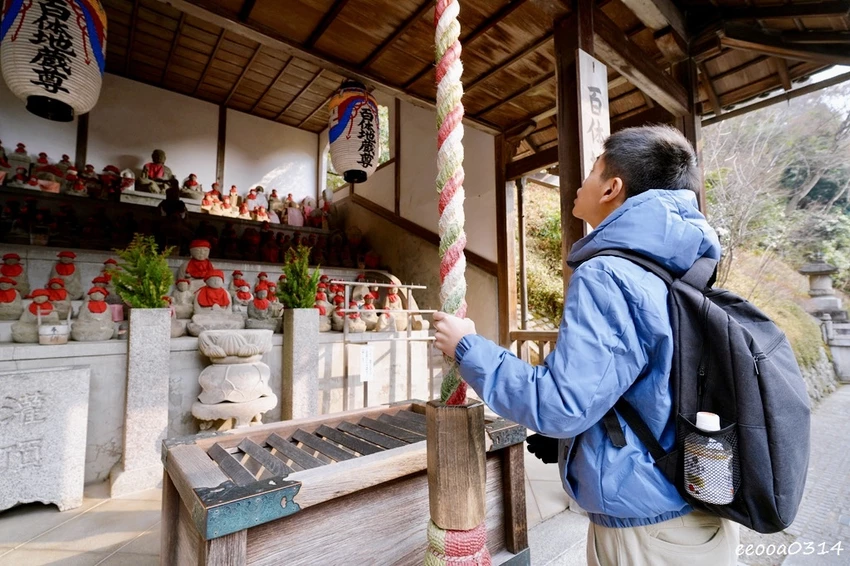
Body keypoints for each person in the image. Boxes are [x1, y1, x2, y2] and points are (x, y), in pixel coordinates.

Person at [433, 125, 738, 565]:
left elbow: (563, 404)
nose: (579, 182)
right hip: (695, 498)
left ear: (612, 188)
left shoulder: (609, 273)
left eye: (593, 170)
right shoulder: (682, 266)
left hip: (646, 529)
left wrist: (468, 347)